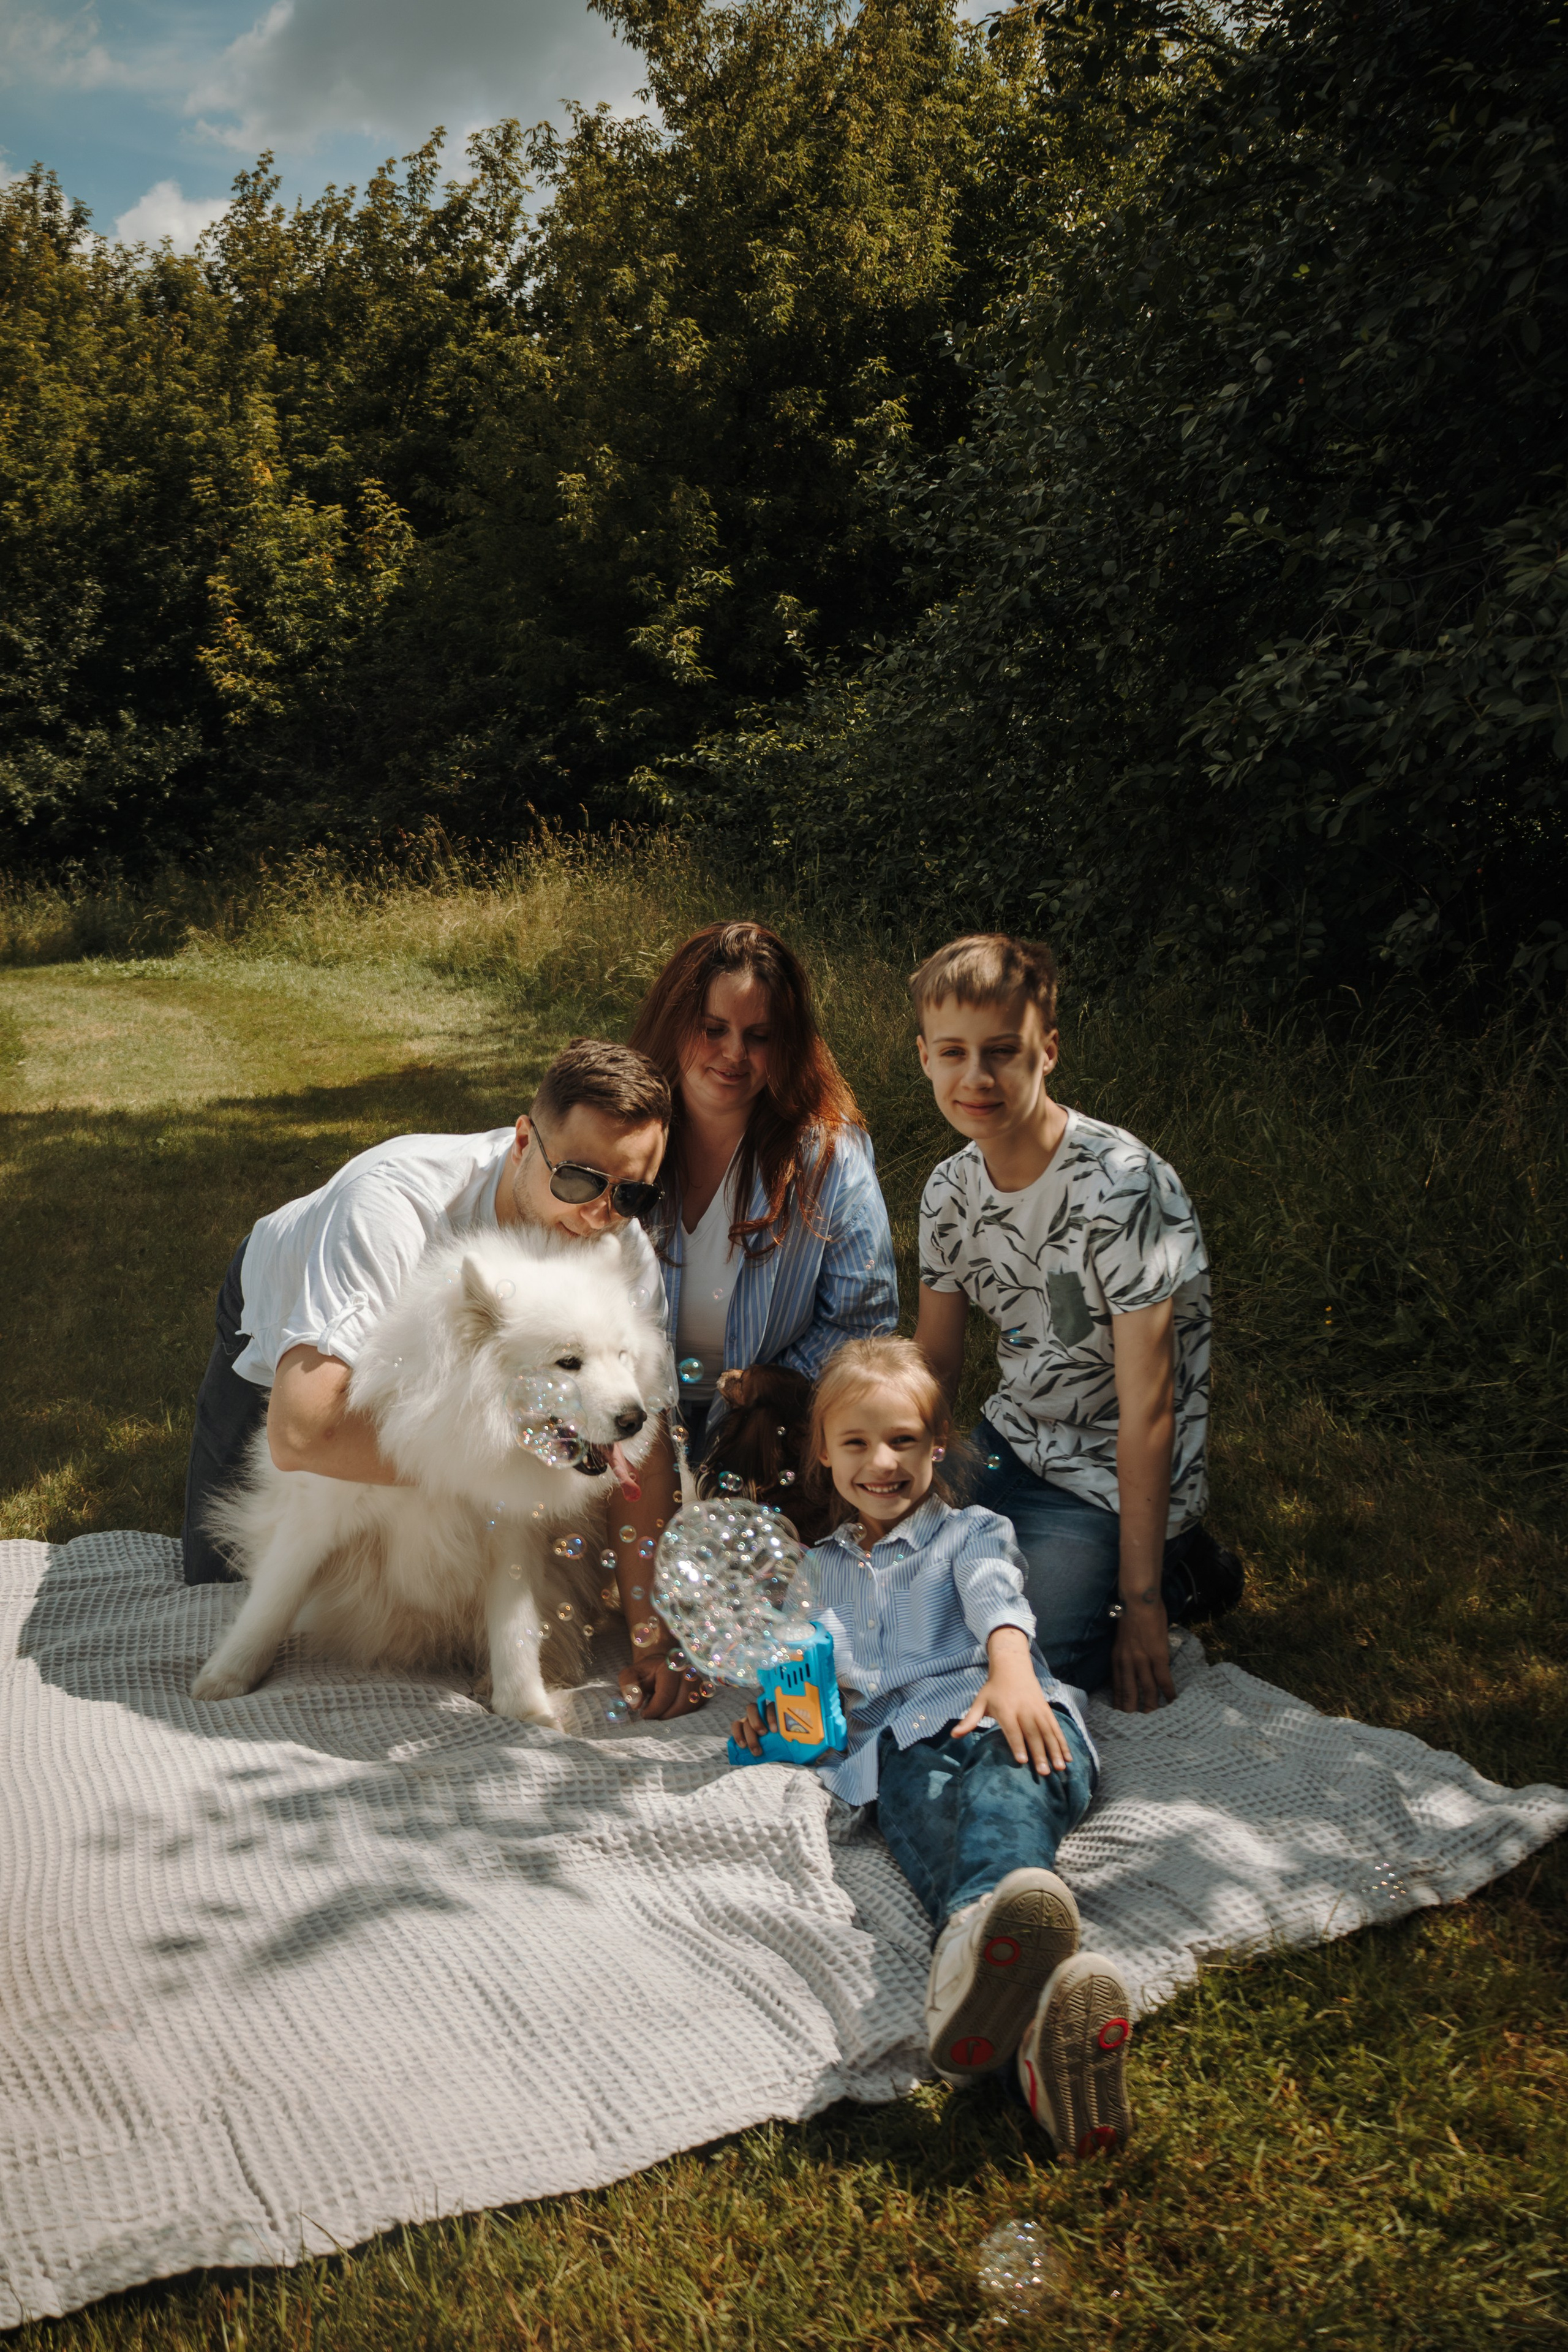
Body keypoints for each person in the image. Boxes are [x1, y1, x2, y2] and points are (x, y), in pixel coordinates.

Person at [731, 1336, 1134, 2157]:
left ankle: (973, 1947)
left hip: (1008, 1716)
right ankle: (1034, 2039)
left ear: (937, 1444)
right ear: (823, 1454)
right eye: (856, 1443)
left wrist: (1012, 1671)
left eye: (903, 1441)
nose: (882, 1461)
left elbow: (997, 1595)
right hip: (903, 1756)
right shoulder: (814, 1573)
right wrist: (775, 1723)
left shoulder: (972, 1531)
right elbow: (812, 1702)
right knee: (928, 1817)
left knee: (1002, 1795)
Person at [182, 1038, 671, 1660]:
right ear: (523, 1141)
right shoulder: (389, 1208)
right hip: (297, 1320)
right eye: (578, 1179)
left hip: (459, 1395)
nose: (599, 1215)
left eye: (632, 1196)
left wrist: (650, 1640)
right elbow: (302, 1433)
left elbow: (641, 1446)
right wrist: (495, 1453)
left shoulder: (620, 1249)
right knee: (215, 1578)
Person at [911, 933, 1223, 1716]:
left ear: (1047, 1052)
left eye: (1002, 1052)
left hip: (1108, 1477)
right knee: (904, 1614)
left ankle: (1183, 1571)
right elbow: (937, 1363)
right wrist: (896, 1476)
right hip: (1011, 1438)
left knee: (1029, 1660)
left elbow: (1148, 1410)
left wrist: (1144, 1603)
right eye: (953, 1053)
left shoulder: (1120, 1188)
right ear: (924, 1058)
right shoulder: (949, 1190)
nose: (975, 1078)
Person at [612, 921, 898, 1717]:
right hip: (634, 1430)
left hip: (766, 1438)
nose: (733, 1055)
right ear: (676, 1023)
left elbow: (864, 1327)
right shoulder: (625, 1142)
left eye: (758, 1036)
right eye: (713, 1029)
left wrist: (761, 1397)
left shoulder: (828, 1160)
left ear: (789, 1044)